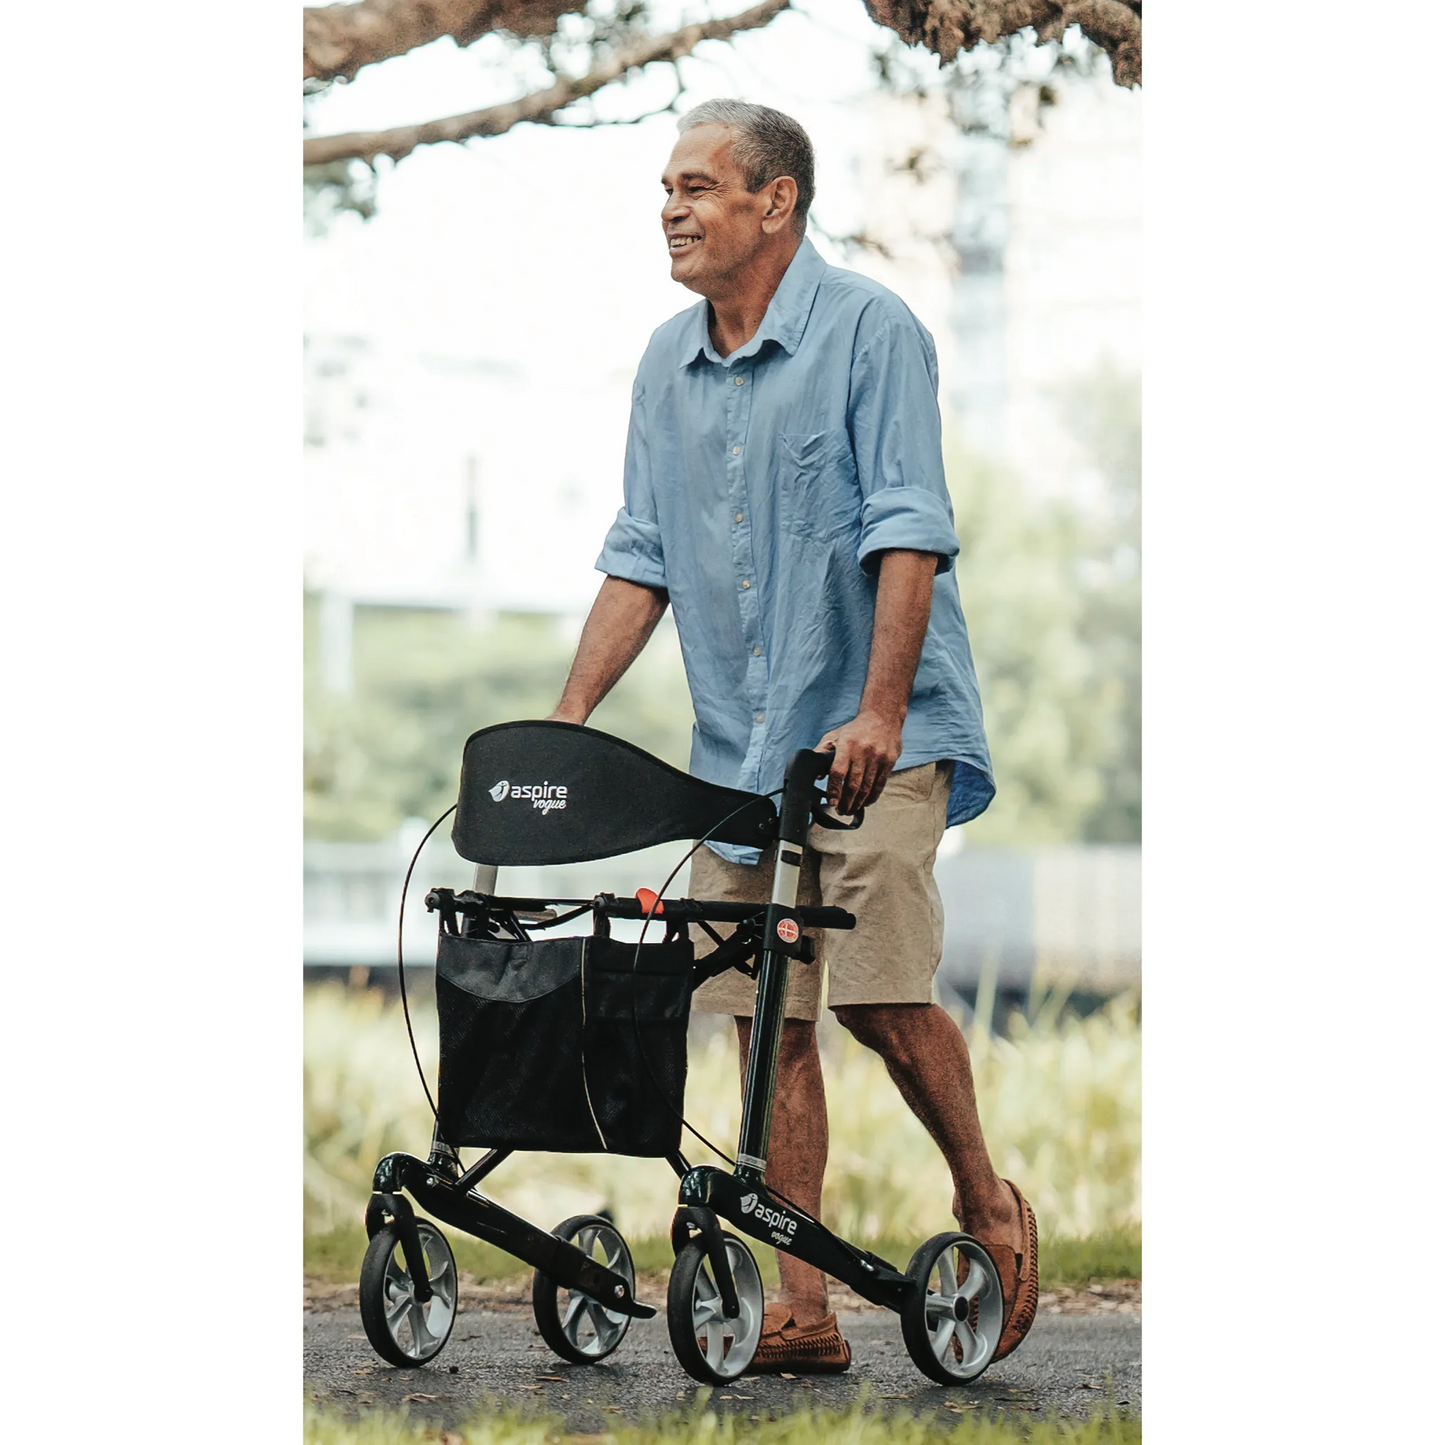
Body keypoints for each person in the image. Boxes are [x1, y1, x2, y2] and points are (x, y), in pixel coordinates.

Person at [548, 98, 1036, 1374]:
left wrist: (875, 709)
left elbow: (907, 528)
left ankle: (983, 1193)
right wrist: (565, 719)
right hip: (733, 753)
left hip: (876, 726)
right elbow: (640, 553)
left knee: (872, 989)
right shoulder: (664, 360)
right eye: (666, 186)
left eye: (699, 185)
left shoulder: (870, 331)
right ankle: (804, 1305)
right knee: (762, 1015)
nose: (671, 206)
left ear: (777, 202)